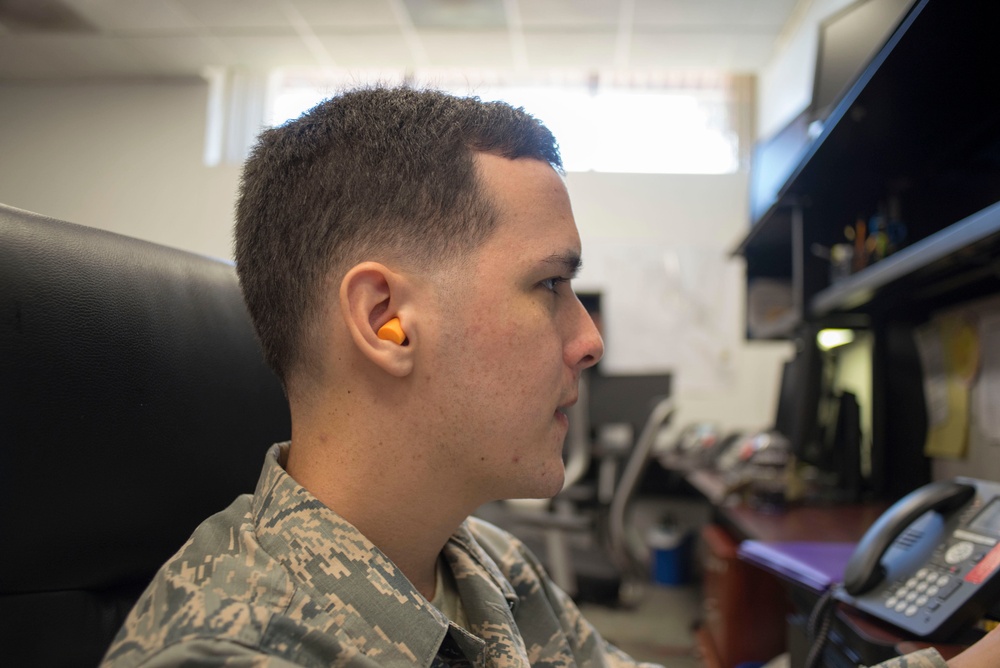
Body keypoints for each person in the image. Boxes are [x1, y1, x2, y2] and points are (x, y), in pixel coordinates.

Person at [102, 86, 999, 667]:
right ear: (386, 319)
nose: (591, 340)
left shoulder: (480, 564)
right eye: (552, 287)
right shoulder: (230, 649)